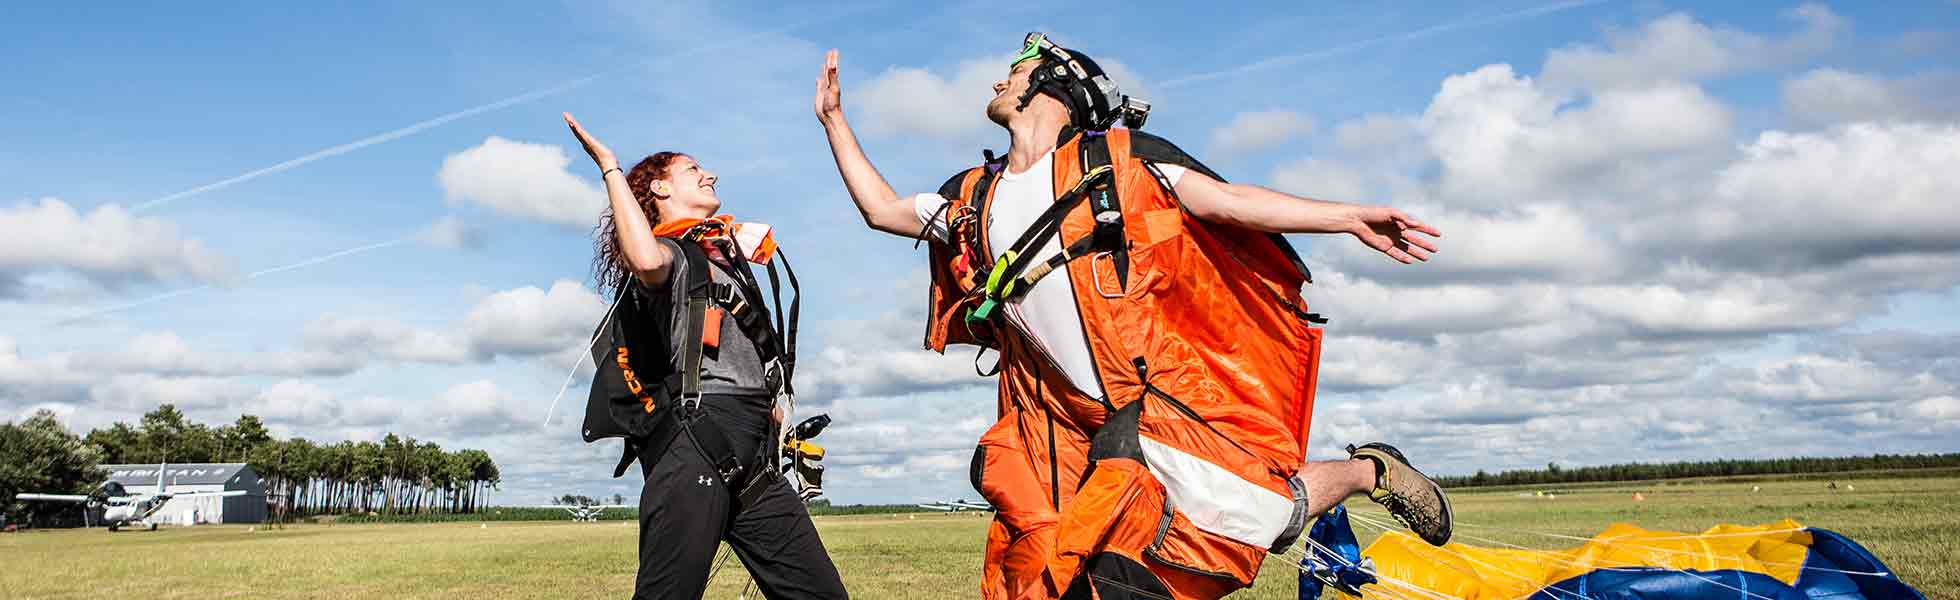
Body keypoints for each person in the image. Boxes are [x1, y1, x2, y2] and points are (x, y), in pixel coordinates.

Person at [813, 35, 1453, 600]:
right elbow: (882, 211)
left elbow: (1228, 203)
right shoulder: (972, 194)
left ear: (1051, 82)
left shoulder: (1116, 161)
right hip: (1053, 422)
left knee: (1262, 518)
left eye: (1015, 67)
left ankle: (1371, 470)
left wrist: (1343, 216)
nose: (997, 80)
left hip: (1147, 404)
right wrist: (835, 121)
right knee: (1052, 572)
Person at [565, 113, 847, 600]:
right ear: (658, 189)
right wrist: (610, 168)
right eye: (693, 170)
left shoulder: (722, 261)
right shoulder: (672, 256)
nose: (710, 175)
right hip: (695, 440)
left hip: (752, 449)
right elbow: (646, 260)